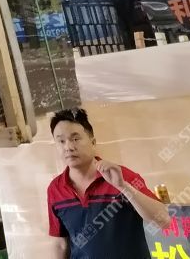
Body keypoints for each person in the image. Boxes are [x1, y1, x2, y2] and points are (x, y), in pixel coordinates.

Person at [46, 107, 170, 258]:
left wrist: (123, 186)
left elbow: (163, 220)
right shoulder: (55, 189)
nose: (68, 147)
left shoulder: (122, 176)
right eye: (61, 141)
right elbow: (60, 243)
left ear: (93, 142)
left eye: (75, 139)